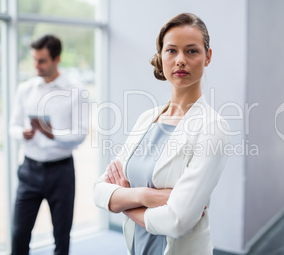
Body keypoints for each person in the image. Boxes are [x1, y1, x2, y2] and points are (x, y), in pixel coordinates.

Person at [94, 13, 231, 254]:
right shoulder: (147, 119)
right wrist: (147, 196)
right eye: (171, 51)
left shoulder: (212, 127)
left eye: (191, 51)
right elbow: (99, 190)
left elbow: (177, 221)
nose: (180, 60)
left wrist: (123, 202)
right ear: (161, 56)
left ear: (207, 57)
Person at [9, 34, 88, 255]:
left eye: (42, 60)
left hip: (61, 172)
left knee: (62, 236)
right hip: (29, 170)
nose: (36, 65)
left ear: (57, 59)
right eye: (34, 59)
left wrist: (54, 134)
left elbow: (80, 134)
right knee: (19, 234)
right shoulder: (25, 89)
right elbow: (12, 126)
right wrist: (21, 133)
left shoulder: (76, 91)